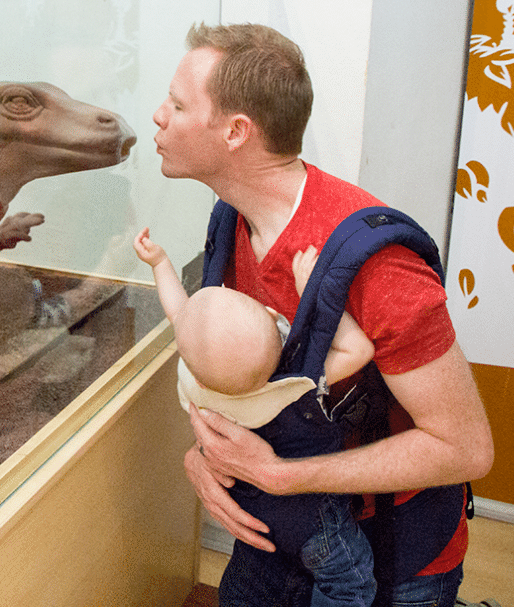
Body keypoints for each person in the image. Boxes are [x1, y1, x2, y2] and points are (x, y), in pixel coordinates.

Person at [152, 22, 493, 607]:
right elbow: (238, 377)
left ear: (236, 131)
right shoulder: (228, 220)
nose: (158, 116)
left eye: (178, 104)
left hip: (390, 559)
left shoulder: (377, 267)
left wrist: (281, 476)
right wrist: (208, 456)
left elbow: (466, 449)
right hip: (275, 534)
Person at [135, 228, 378, 606]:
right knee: (350, 582)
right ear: (276, 324)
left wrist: (160, 263)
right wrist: (313, 292)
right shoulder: (291, 383)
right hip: (314, 520)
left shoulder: (199, 383)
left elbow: (178, 312)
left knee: (250, 582)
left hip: (254, 514)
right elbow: (358, 348)